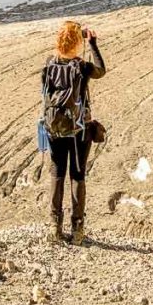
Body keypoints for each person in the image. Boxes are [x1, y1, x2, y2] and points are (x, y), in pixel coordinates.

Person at [41, 20, 105, 246]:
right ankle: (77, 229)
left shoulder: (49, 64)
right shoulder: (82, 67)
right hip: (79, 130)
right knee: (77, 175)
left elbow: (45, 92)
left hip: (54, 128)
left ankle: (54, 226)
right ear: (78, 41)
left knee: (57, 172)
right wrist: (93, 44)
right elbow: (101, 70)